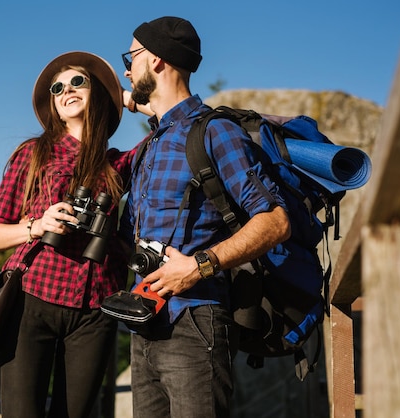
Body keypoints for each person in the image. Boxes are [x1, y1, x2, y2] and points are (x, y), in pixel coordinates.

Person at [118, 17, 292, 417]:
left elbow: (275, 220)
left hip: (194, 322)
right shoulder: (154, 142)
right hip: (144, 324)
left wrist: (198, 267)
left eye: (132, 56)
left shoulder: (214, 132)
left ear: (158, 61)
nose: (127, 68)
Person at [0, 51, 135, 418]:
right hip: (34, 297)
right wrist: (37, 226)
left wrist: (123, 96)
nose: (66, 90)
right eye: (56, 88)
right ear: (54, 107)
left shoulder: (117, 164)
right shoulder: (33, 154)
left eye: (79, 82)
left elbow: (168, 132)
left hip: (96, 305)